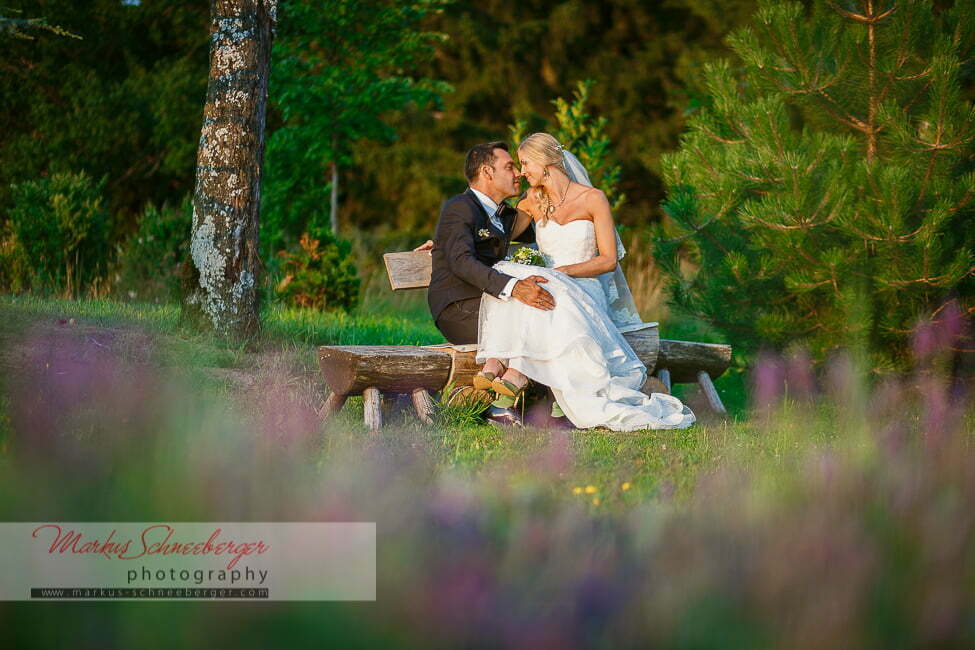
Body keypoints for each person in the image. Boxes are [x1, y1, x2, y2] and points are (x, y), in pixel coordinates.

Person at [474, 133, 695, 432]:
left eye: (525, 163)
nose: (522, 171)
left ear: (545, 162)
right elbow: (493, 238)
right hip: (550, 288)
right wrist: (446, 240)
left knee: (543, 289)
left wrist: (564, 273)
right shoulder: (531, 202)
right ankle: (512, 374)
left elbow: (607, 260)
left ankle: (511, 374)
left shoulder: (593, 199)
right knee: (513, 275)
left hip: (585, 285)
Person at [419, 141, 553, 425]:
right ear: (486, 172)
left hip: (492, 305)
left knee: (548, 310)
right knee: (538, 316)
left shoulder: (503, 214)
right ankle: (506, 404)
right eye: (509, 166)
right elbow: (461, 262)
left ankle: (522, 400)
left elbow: (547, 230)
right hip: (459, 308)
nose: (517, 173)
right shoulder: (460, 207)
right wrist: (514, 287)